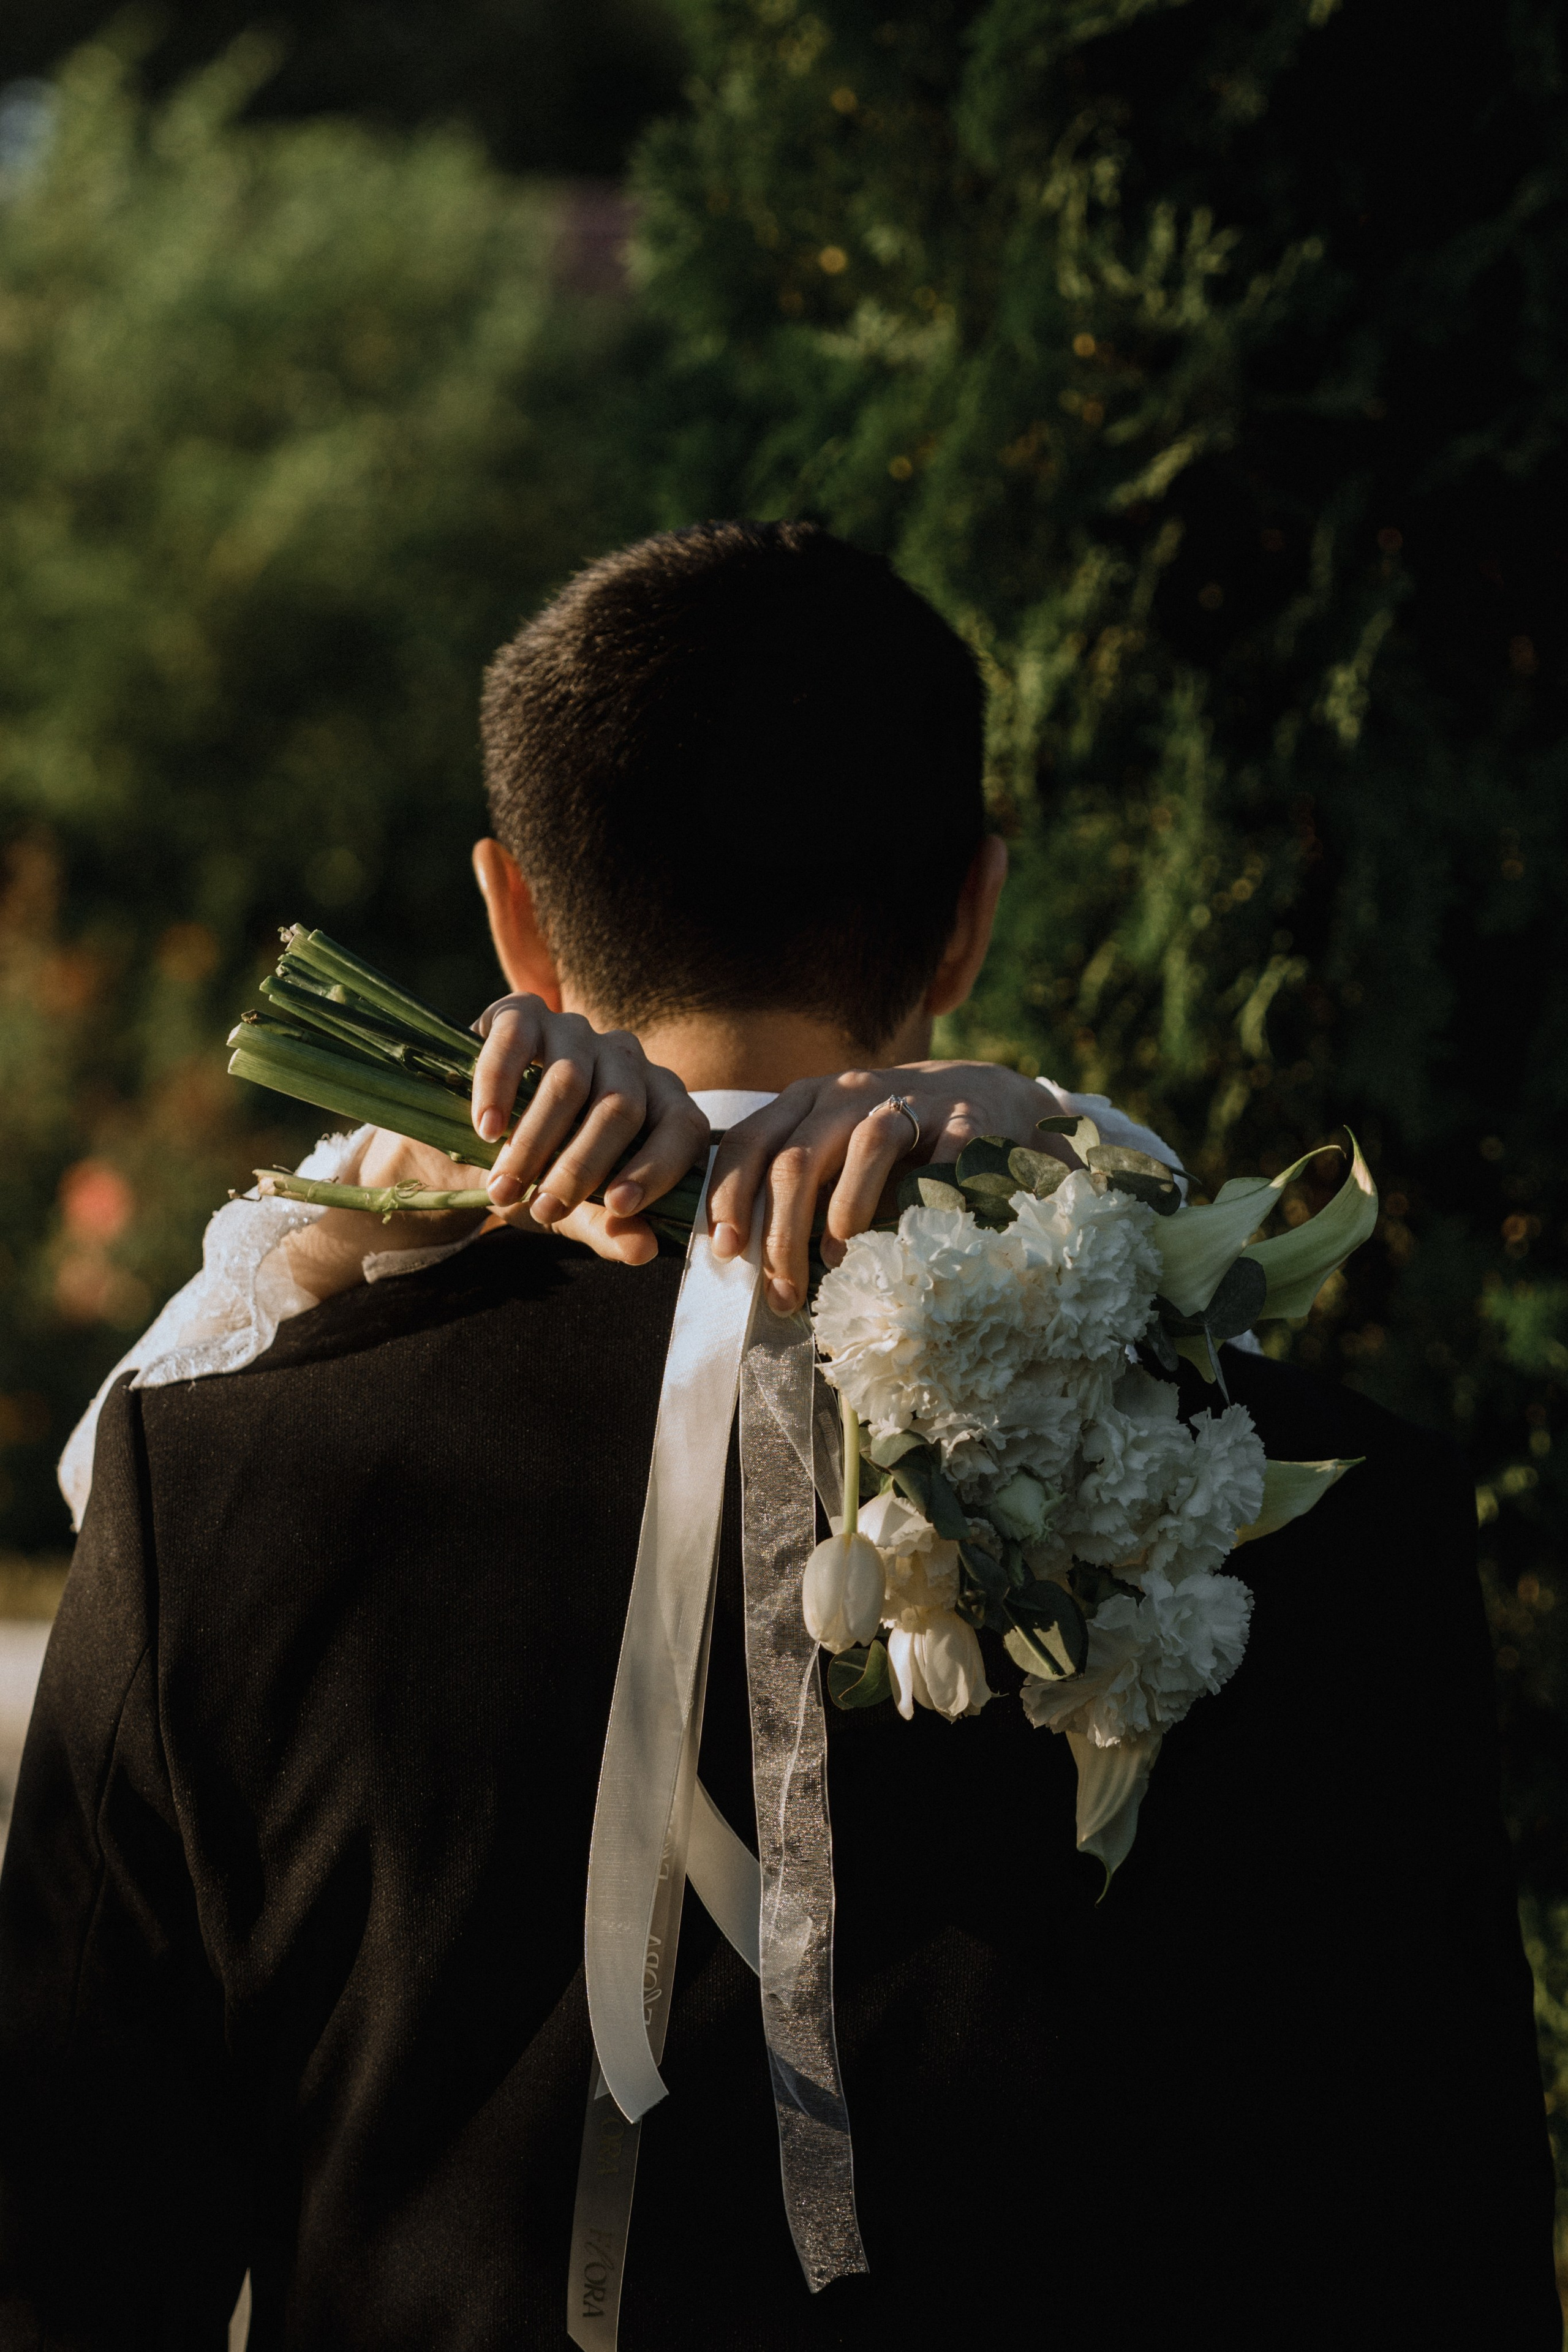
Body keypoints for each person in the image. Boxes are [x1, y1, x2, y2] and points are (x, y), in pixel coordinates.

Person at [0, 522, 1555, 2351]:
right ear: (971, 913)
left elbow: (68, 2267)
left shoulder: (216, 1490)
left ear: (516, 914)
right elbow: (1439, 2263)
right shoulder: (1304, 1504)